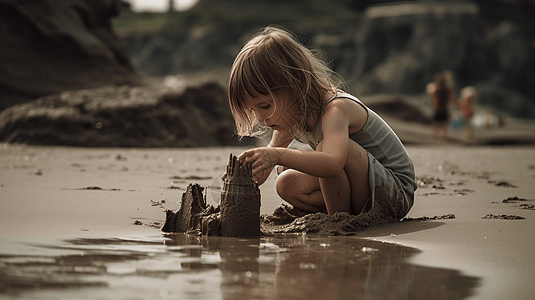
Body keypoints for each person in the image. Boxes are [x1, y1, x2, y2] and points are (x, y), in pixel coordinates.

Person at [228, 26, 416, 219]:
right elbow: (271, 160)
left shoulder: (336, 110)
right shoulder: (289, 119)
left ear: (294, 86)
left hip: (395, 193)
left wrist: (276, 155)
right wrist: (251, 174)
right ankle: (341, 212)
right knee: (285, 180)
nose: (260, 118)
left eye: (265, 106)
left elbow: (333, 164)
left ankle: (338, 220)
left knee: (325, 151)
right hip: (366, 190)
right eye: (253, 110)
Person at [426, 71, 458, 140]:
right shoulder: (445, 89)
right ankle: (441, 137)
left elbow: (431, 93)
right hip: (442, 108)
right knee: (441, 124)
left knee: (438, 124)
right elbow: (451, 98)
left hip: (439, 108)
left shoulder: (438, 89)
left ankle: (436, 137)